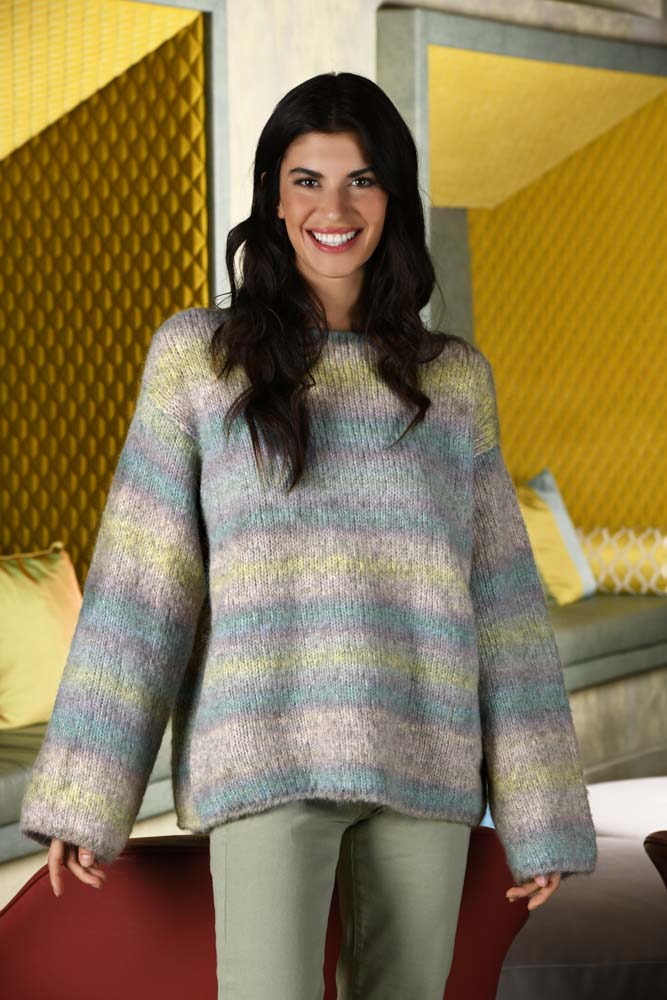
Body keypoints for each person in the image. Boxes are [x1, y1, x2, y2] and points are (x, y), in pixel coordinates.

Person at [20, 72, 597, 999]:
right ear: (273, 198)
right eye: (307, 181)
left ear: (393, 197)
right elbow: (143, 581)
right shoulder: (198, 358)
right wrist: (86, 794)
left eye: (361, 180)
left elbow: (502, 605)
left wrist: (541, 814)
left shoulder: (453, 382)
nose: (334, 208)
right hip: (265, 758)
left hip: (423, 763)